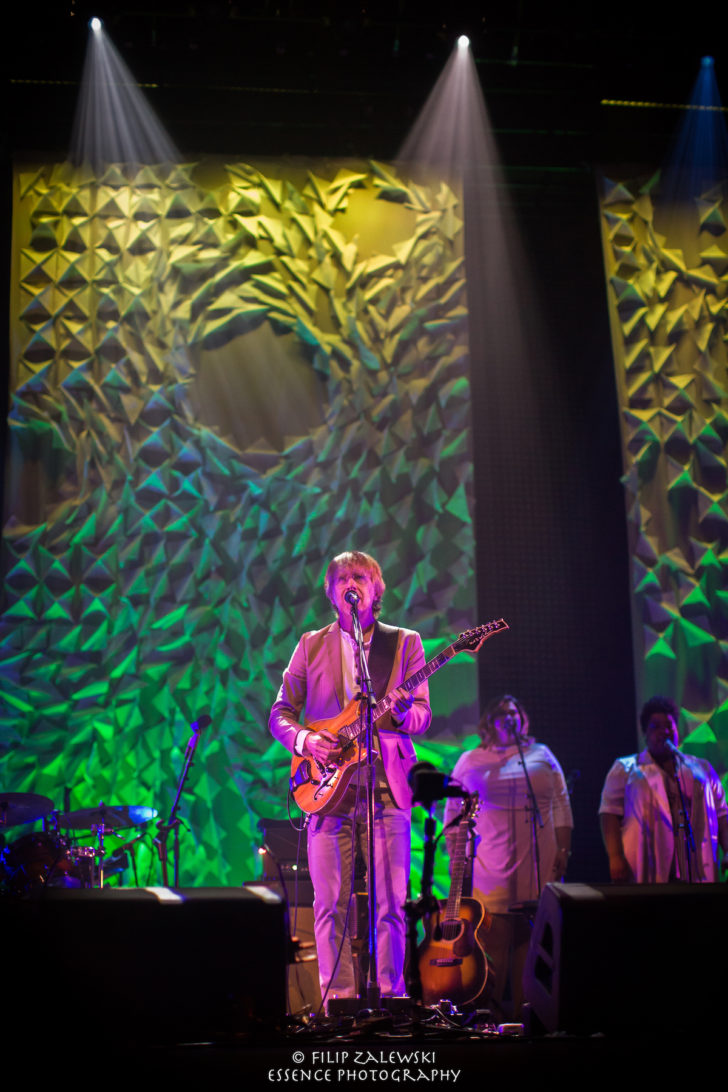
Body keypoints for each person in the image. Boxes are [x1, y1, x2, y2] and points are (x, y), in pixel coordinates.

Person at [269, 550, 431, 1004]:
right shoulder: (310, 644)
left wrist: (401, 712)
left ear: (376, 589)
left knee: (391, 904)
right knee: (329, 904)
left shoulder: (404, 642)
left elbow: (422, 714)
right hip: (326, 789)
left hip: (386, 787)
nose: (350, 581)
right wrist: (305, 742)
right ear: (330, 590)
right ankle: (337, 1002)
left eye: (360, 575)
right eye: (342, 576)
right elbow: (280, 713)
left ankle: (391, 997)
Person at [444, 694, 573, 1018]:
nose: (509, 718)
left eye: (514, 712)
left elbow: (561, 804)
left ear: (523, 719)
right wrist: (455, 856)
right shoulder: (472, 759)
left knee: (529, 957)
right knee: (493, 958)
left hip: (537, 869)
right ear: (489, 722)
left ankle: (524, 1023)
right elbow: (453, 812)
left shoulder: (541, 755)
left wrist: (563, 849)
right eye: (502, 713)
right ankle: (488, 1024)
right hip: (492, 873)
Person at [599, 695, 728, 883]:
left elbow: (722, 814)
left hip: (695, 867)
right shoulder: (625, 769)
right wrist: (615, 857)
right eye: (655, 727)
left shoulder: (702, 769)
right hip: (649, 867)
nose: (664, 732)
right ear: (645, 733)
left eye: (669, 725)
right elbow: (609, 813)